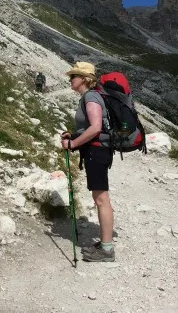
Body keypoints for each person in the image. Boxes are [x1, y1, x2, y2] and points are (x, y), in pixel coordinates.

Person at [60, 61, 115, 262]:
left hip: (97, 152)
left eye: (73, 76)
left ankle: (107, 250)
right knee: (101, 198)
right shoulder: (93, 96)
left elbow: (95, 128)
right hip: (99, 151)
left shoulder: (90, 97)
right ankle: (105, 243)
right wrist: (74, 134)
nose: (70, 80)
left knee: (101, 199)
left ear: (83, 79)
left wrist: (73, 143)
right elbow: (91, 127)